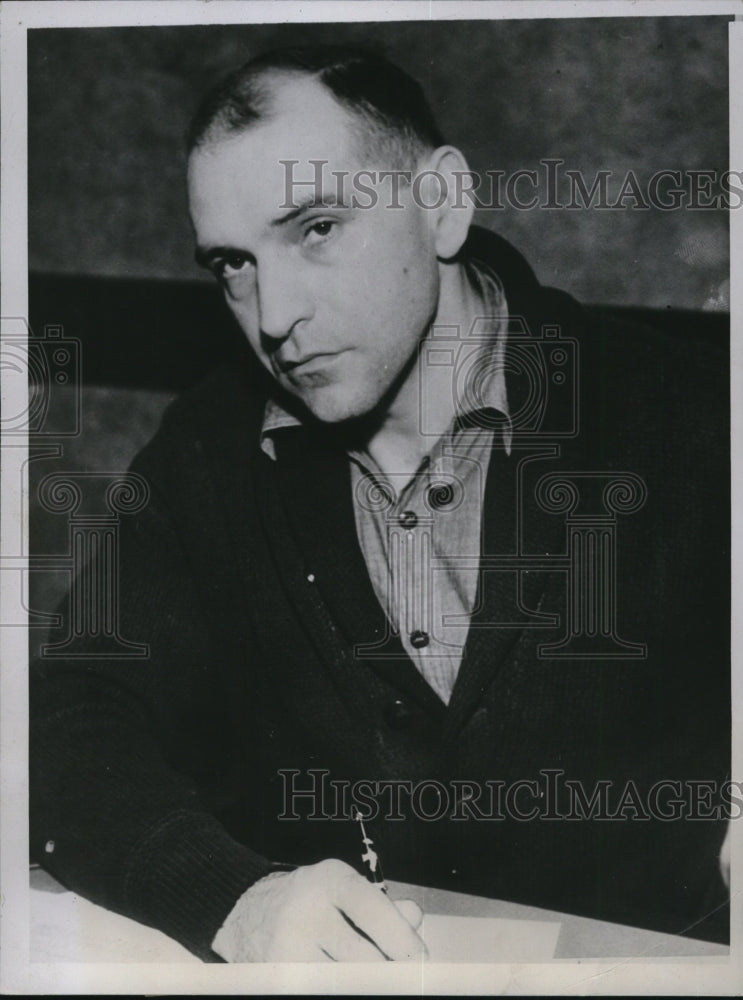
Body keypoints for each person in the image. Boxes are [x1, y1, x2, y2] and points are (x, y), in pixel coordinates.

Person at [30, 46, 730, 962]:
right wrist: (236, 901)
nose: (272, 315)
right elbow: (71, 719)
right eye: (233, 264)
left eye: (316, 228)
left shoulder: (688, 415)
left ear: (441, 203)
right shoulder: (209, 447)